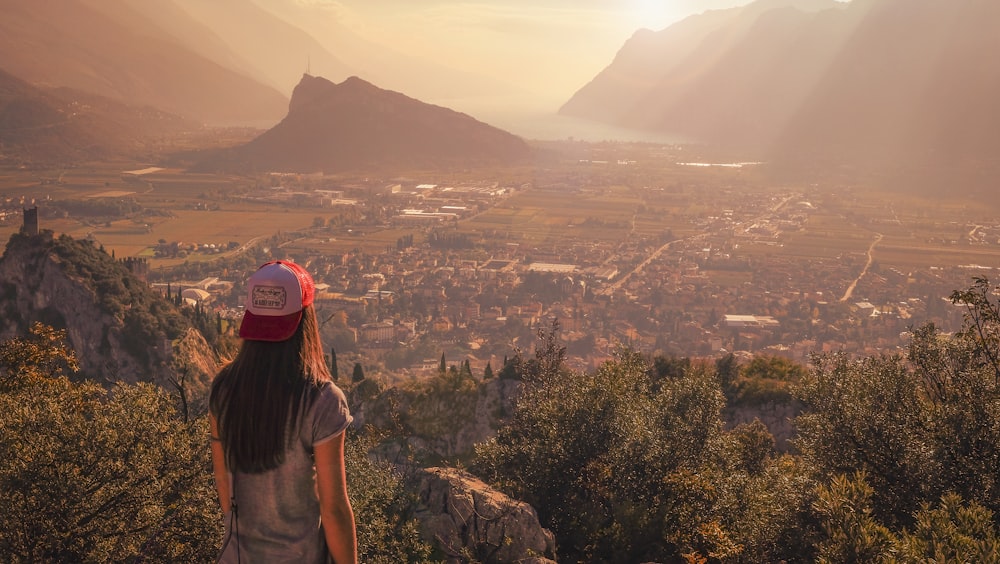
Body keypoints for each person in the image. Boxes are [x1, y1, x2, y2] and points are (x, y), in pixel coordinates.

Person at [210, 260, 357, 563]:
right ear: (305, 321)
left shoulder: (224, 389)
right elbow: (334, 509)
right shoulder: (322, 400)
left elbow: (224, 481)